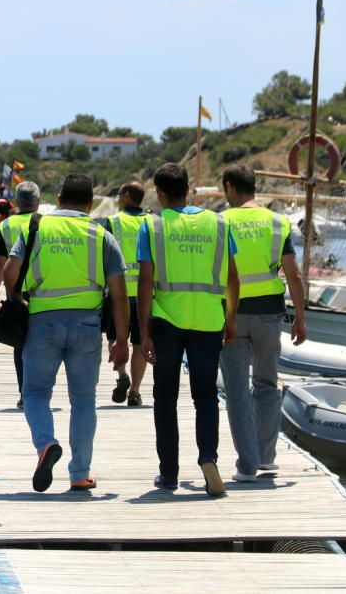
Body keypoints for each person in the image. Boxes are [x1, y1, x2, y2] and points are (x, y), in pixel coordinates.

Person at [4, 174, 130, 493]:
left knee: (34, 394)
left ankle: (46, 444)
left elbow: (10, 271)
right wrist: (121, 340)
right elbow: (119, 294)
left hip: (42, 321)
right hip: (87, 325)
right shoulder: (101, 235)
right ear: (90, 203)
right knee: (84, 400)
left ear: (58, 198)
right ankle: (79, 474)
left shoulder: (37, 226)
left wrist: (17, 299)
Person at [137, 163, 239, 497]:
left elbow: (146, 282)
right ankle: (208, 457)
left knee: (165, 398)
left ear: (160, 192)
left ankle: (168, 475)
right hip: (209, 320)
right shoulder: (219, 223)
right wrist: (231, 318)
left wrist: (143, 332)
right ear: (188, 189)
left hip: (167, 321)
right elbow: (232, 278)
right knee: (206, 395)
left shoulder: (152, 226)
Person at [219, 165, 307, 480]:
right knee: (267, 384)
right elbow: (293, 273)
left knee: (237, 389)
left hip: (231, 314)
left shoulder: (221, 221)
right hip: (270, 313)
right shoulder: (277, 222)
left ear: (229, 187)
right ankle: (266, 456)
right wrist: (300, 315)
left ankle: (247, 463)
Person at [0, 181, 41, 406]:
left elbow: (0, 263)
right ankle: (40, 390)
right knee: (41, 344)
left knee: (20, 343)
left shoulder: (6, 225)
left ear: (17, 203)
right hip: (42, 292)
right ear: (38, 201)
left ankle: (23, 393)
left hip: (15, 293)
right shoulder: (45, 224)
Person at [103, 181, 150, 406]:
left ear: (128, 196)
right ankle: (135, 391)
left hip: (118, 293)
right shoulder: (152, 223)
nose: (119, 197)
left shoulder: (113, 222)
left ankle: (122, 376)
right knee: (140, 343)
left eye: (120, 193)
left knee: (114, 338)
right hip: (145, 295)